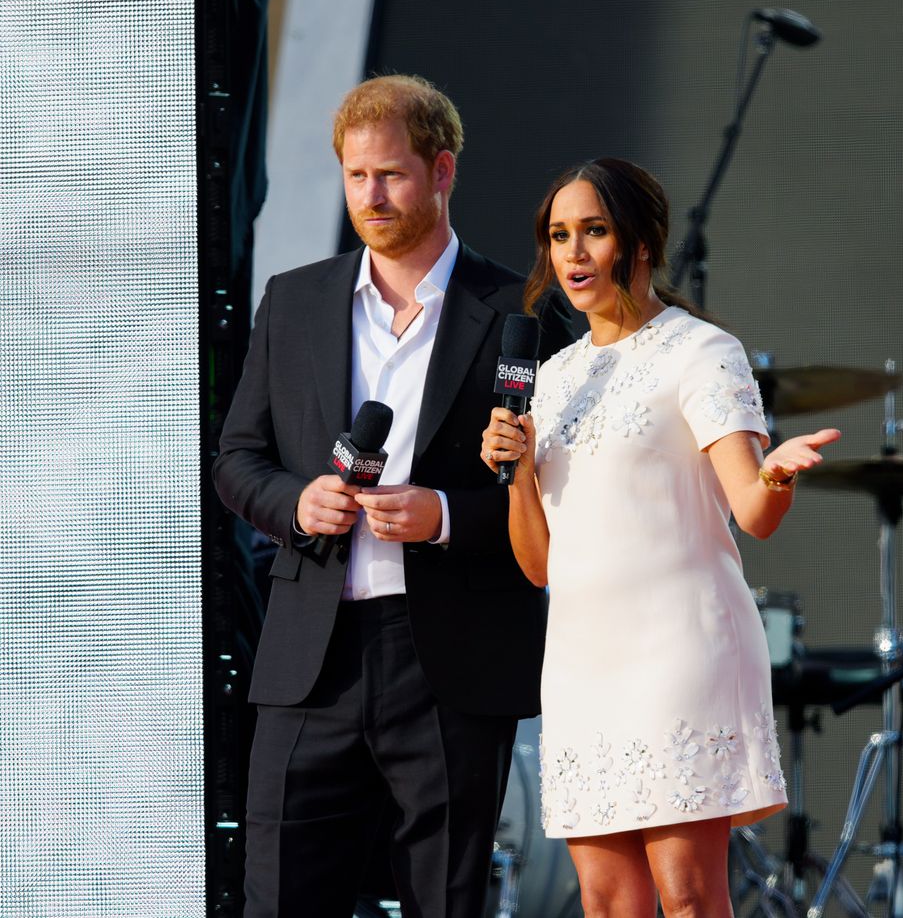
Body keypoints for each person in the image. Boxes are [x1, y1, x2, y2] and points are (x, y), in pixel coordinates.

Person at [213, 74, 573, 918]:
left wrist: (443, 516)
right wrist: (297, 503)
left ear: (442, 172)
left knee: (443, 899)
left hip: (449, 657)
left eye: (392, 175)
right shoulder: (294, 300)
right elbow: (236, 460)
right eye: (354, 176)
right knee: (277, 896)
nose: (370, 197)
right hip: (313, 654)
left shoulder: (521, 314)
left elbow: (562, 500)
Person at [481, 157, 841, 917]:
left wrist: (776, 473)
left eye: (594, 231)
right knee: (608, 903)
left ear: (641, 244)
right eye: (559, 236)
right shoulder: (552, 379)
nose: (573, 254)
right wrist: (517, 471)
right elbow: (541, 564)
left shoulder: (700, 353)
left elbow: (753, 510)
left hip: (678, 649)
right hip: (582, 664)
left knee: (686, 894)